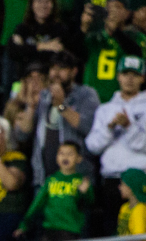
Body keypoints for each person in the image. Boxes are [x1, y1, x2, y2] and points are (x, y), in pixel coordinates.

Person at [85, 56, 146, 233]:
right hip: (111, 180)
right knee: (111, 230)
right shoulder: (105, 109)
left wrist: (128, 126)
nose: (130, 79)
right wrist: (109, 128)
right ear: (118, 76)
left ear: (143, 78)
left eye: (135, 74)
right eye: (126, 74)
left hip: (139, 179)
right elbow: (92, 146)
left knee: (140, 228)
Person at [17, 51, 100, 188]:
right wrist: (31, 107)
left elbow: (89, 127)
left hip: (76, 180)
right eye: (53, 68)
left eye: (62, 68)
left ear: (74, 72)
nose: (56, 73)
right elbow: (22, 134)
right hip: (44, 178)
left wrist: (62, 106)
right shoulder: (43, 96)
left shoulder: (86, 94)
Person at [16, 142, 94, 241]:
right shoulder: (51, 180)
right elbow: (37, 205)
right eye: (61, 153)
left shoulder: (82, 181)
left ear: (79, 158)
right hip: (50, 230)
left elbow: (89, 203)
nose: (65, 157)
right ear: (56, 157)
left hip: (72, 231)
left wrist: (83, 193)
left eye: (70, 154)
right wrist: (24, 225)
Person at [79, 0, 146, 103]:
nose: (112, 12)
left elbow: (136, 56)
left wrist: (115, 32)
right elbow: (74, 53)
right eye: (109, 8)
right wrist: (83, 27)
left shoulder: (137, 37)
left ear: (127, 13)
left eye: (117, 8)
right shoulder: (94, 38)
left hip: (122, 103)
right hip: (92, 102)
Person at [9, 0, 73, 71]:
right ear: (32, 5)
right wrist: (44, 46)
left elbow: (58, 55)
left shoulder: (60, 29)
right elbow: (14, 53)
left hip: (50, 77)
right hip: (26, 77)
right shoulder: (22, 29)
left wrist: (27, 48)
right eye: (39, 1)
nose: (43, 6)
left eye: (47, 2)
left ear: (53, 5)